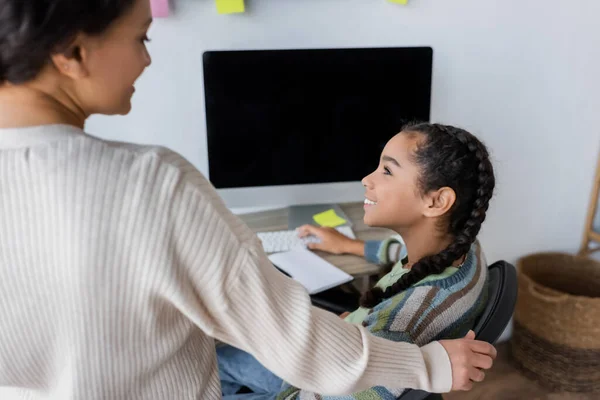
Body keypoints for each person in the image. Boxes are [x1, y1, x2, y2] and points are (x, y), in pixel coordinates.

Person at [0, 0, 497, 398]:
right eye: (140, 37)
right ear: (72, 52)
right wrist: (427, 365)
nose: (147, 58)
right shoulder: (151, 183)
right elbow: (290, 337)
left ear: (438, 200)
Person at [217, 123, 496, 400]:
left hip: (308, 384)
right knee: (222, 357)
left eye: (387, 170)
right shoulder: (464, 250)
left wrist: (333, 338)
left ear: (437, 202)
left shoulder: (396, 329)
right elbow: (401, 255)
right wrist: (347, 245)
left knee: (211, 361)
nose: (367, 179)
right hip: (346, 352)